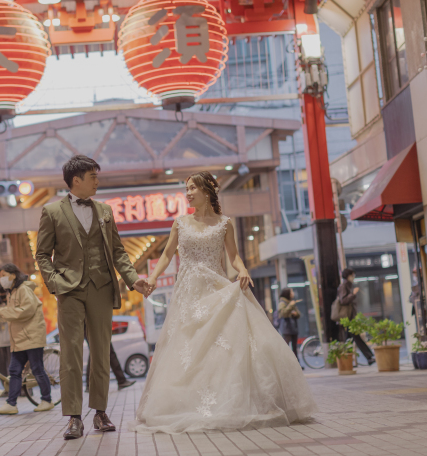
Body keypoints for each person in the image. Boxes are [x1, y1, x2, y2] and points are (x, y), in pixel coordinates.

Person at [131, 172, 317, 434]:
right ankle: (189, 404)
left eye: (192, 187)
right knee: (190, 346)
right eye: (186, 188)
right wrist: (150, 279)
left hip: (216, 289)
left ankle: (227, 400)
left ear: (207, 190)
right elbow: (166, 256)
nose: (188, 192)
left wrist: (242, 270)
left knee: (221, 344)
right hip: (188, 293)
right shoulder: (180, 223)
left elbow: (235, 257)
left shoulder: (225, 223)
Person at [36, 155, 150, 439]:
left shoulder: (105, 210)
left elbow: (119, 252)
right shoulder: (52, 211)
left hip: (101, 287)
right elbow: (41, 254)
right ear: (77, 180)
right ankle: (74, 417)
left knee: (101, 351)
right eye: (93, 177)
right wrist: (55, 282)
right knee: (71, 352)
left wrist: (134, 280)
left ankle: (100, 412)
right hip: (69, 291)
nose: (98, 182)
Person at [0, 263, 54, 415]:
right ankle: (11, 404)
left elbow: (26, 310)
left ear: (13, 275)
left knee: (37, 369)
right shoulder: (12, 292)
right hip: (20, 339)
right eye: (0, 276)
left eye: (3, 275)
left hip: (30, 336)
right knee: (14, 370)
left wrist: (1, 312)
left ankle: (47, 400)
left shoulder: (23, 289)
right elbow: (12, 314)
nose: (1, 279)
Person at [337, 268, 375, 365]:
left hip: (350, 317)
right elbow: (343, 300)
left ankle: (346, 360)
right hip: (347, 318)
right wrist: (353, 294)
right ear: (348, 276)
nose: (353, 277)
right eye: (352, 275)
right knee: (355, 337)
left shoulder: (348, 285)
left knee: (349, 340)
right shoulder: (343, 286)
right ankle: (369, 357)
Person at [276, 288, 302, 366]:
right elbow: (283, 313)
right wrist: (290, 306)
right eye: (291, 292)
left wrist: (295, 314)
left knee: (295, 347)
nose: (293, 293)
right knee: (286, 347)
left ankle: (297, 365)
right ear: (287, 293)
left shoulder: (292, 302)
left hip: (293, 327)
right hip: (286, 328)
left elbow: (299, 314)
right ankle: (284, 364)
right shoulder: (282, 303)